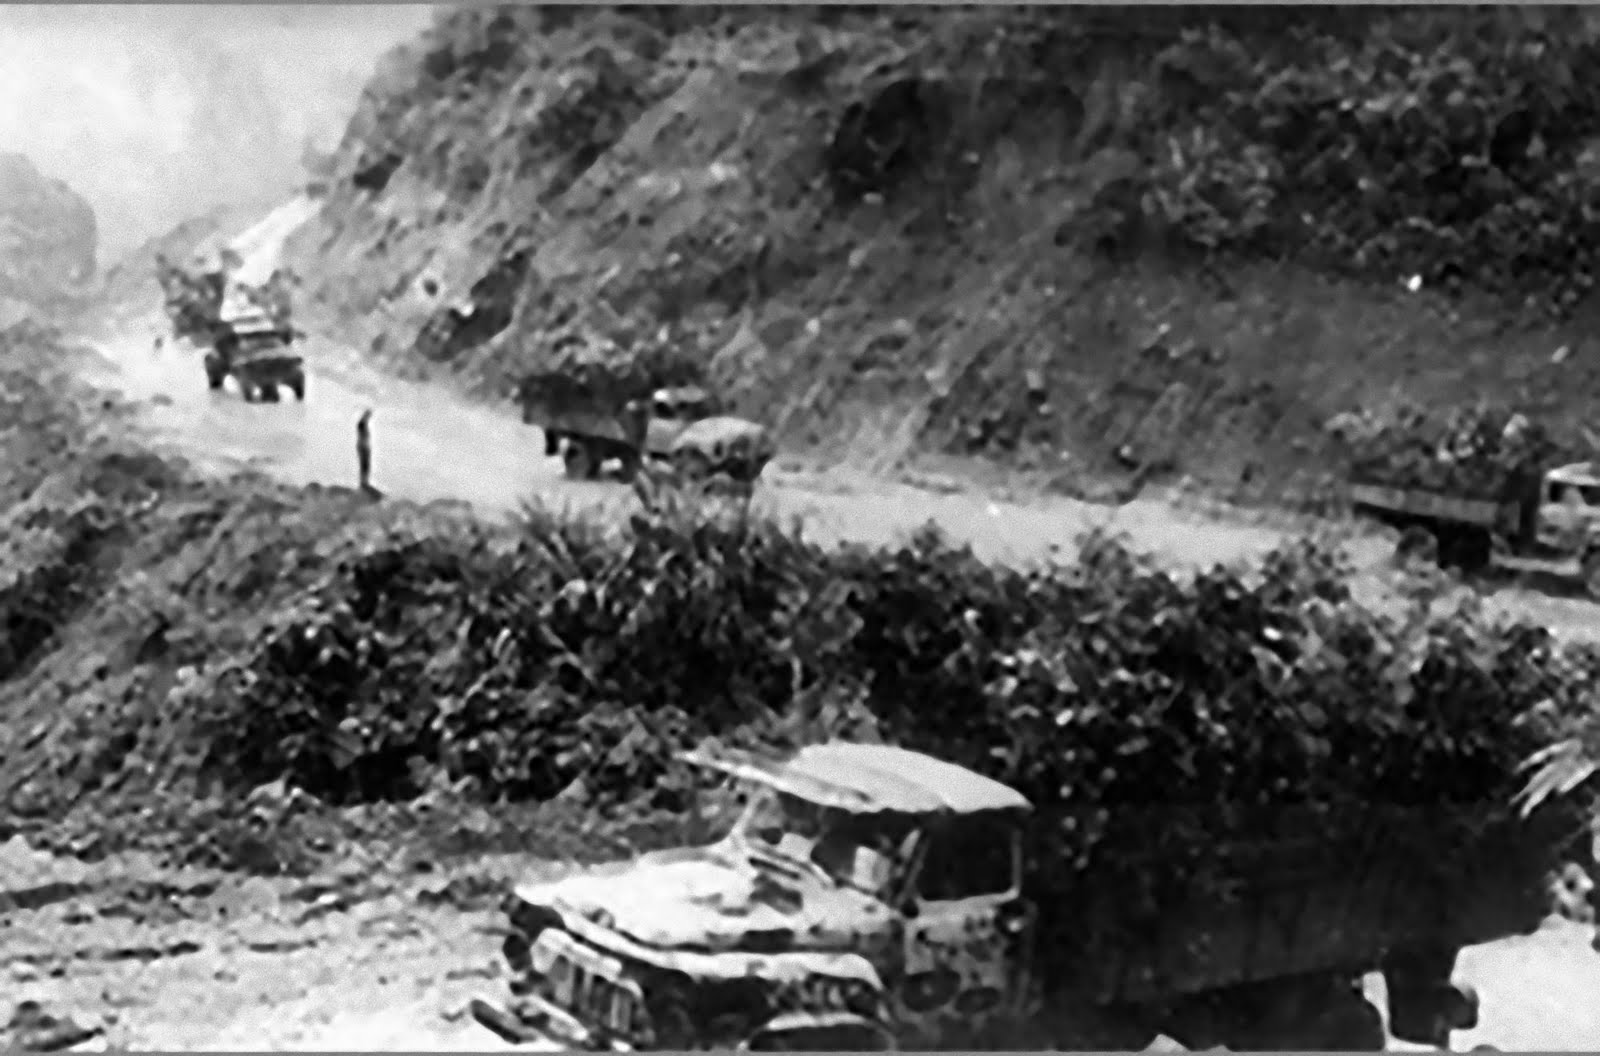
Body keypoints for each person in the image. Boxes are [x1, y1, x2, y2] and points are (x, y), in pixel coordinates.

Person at [356, 409, 373, 490]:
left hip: (364, 446)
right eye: (368, 415)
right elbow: (363, 436)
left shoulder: (363, 423)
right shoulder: (362, 423)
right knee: (364, 464)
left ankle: (365, 482)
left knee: (366, 465)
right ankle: (363, 483)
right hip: (363, 446)